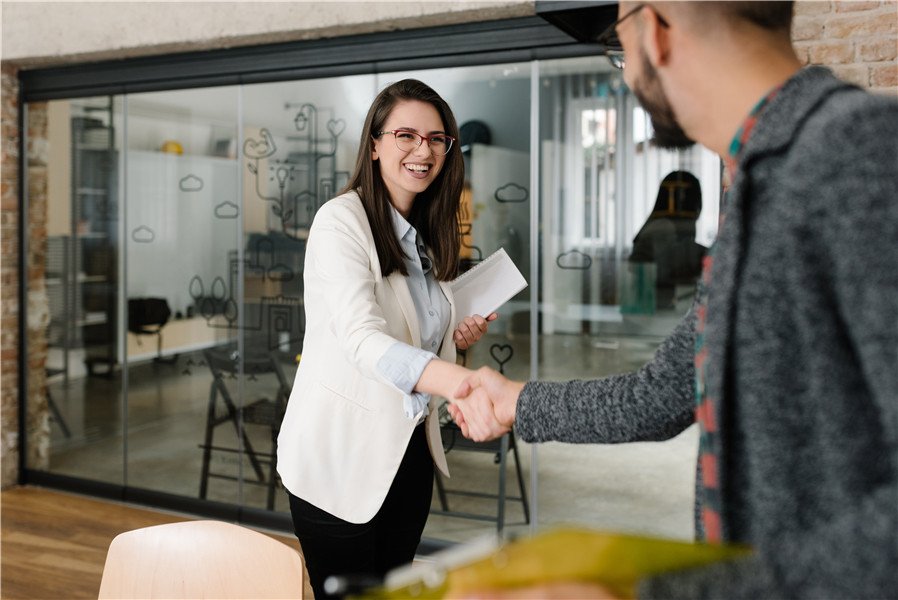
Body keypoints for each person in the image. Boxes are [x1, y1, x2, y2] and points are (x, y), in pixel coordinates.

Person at [451, 1, 898, 598]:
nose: (626, 71)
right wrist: (516, 401)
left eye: (619, 44)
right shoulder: (760, 186)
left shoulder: (859, 153)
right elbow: (663, 393)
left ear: (654, 30)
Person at [276, 78, 497, 599]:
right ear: (374, 145)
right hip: (338, 461)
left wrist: (454, 337)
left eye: (437, 138)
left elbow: (415, 334)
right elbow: (362, 337)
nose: (424, 150)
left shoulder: (426, 232)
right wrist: (462, 380)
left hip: (408, 454)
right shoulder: (340, 222)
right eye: (406, 135)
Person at [628, 170, 706, 309]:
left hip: (657, 308)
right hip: (649, 312)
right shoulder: (664, 226)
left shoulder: (665, 225)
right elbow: (673, 264)